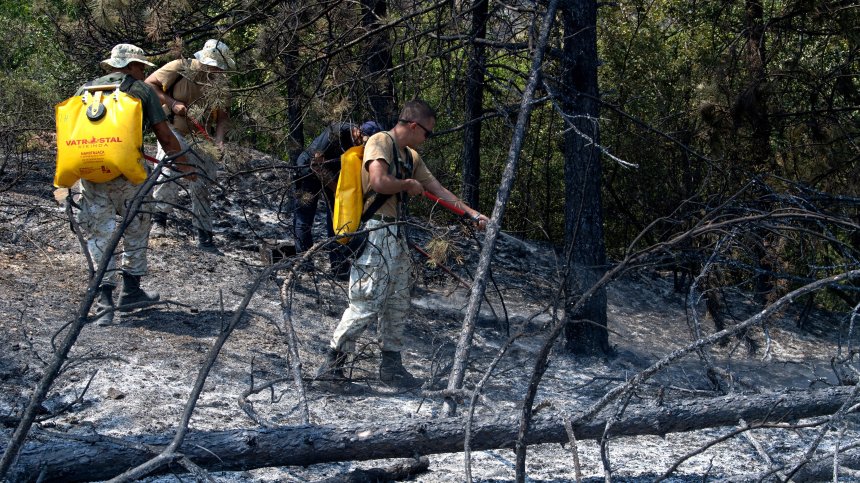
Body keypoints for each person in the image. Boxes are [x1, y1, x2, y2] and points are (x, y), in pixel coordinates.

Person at [316, 100, 489, 387]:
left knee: (397, 301)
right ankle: (331, 365)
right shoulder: (380, 142)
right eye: (427, 133)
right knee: (366, 300)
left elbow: (437, 188)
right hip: (373, 232)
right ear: (413, 125)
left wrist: (471, 214)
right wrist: (407, 185)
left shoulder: (410, 156)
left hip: (396, 234)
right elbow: (380, 182)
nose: (426, 139)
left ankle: (392, 367)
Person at [77, 44, 187, 326]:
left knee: (99, 233)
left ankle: (104, 302)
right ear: (128, 66)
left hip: (91, 173)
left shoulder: (85, 90)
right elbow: (164, 134)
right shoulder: (142, 91)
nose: (143, 71)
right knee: (136, 228)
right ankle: (131, 292)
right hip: (130, 175)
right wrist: (187, 168)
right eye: (140, 66)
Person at [145, 39, 234, 251]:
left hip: (202, 136)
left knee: (203, 182)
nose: (214, 70)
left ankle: (204, 234)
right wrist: (171, 102)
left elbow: (222, 117)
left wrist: (219, 140)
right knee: (170, 169)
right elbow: (148, 85)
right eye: (211, 65)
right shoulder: (180, 67)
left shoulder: (221, 84)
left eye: (218, 67)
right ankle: (159, 219)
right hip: (173, 128)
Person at [293, 120, 383, 279]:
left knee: (338, 219)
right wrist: (336, 188)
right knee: (304, 219)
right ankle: (304, 266)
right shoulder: (336, 132)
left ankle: (339, 267)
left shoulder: (361, 147)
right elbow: (316, 163)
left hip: (333, 177)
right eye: (365, 142)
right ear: (359, 132)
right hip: (308, 171)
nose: (365, 147)